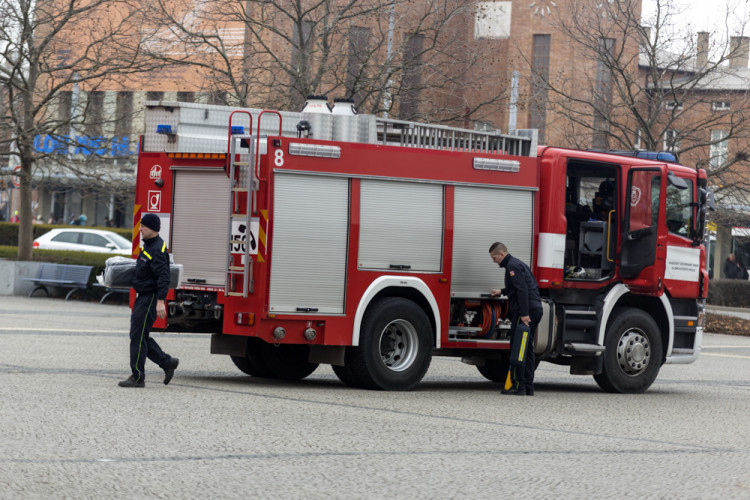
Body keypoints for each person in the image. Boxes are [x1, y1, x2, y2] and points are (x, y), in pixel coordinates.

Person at [119, 213, 179, 388]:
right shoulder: (148, 246)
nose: (140, 229)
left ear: (152, 228)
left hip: (150, 298)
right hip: (143, 297)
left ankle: (138, 377)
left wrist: (161, 301)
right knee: (140, 336)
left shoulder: (158, 250)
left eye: (143, 226)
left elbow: (163, 278)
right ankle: (167, 362)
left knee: (137, 337)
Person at [489, 242, 543, 396]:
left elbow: (522, 290)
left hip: (525, 312)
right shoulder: (517, 264)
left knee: (518, 348)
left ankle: (518, 386)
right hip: (535, 309)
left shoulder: (512, 267)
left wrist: (524, 314)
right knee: (527, 348)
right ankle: (528, 386)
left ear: (501, 254)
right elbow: (517, 287)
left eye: (494, 258)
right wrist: (502, 291)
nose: (494, 261)